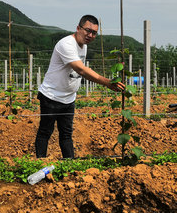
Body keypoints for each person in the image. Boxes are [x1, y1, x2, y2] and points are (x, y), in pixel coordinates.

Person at [34, 15, 125, 159]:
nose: (90, 35)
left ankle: (70, 165)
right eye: (87, 30)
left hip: (68, 98)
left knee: (66, 134)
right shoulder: (66, 44)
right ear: (78, 28)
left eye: (94, 33)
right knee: (45, 131)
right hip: (51, 96)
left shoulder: (84, 46)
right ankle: (40, 164)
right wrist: (107, 82)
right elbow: (81, 69)